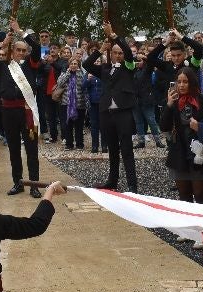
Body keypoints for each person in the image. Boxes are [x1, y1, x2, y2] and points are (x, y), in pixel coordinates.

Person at [0, 20, 44, 197]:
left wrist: (20, 32)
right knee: (14, 149)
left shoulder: (32, 65)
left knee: (32, 150)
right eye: (18, 49)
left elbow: (37, 46)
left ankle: (34, 185)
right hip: (9, 113)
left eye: (24, 50)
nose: (21, 52)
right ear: (13, 51)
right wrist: (1, 44)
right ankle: (18, 183)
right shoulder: (4, 66)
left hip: (28, 113)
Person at [84, 22, 139, 193]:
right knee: (112, 149)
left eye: (120, 53)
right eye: (115, 53)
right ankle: (112, 180)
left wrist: (114, 35)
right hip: (107, 112)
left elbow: (129, 53)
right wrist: (100, 49)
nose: (118, 55)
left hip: (123, 112)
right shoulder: (105, 68)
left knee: (127, 149)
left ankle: (132, 184)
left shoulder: (129, 67)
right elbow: (86, 65)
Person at [161, 65, 203, 214]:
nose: (181, 85)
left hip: (198, 152)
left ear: (191, 82)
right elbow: (164, 126)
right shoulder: (173, 100)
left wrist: (200, 126)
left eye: (185, 82)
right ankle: (188, 229)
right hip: (179, 152)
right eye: (178, 82)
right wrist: (168, 105)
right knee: (184, 195)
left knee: (200, 194)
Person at [54, 55, 90, 150]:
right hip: (66, 103)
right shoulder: (64, 73)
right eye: (72, 64)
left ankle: (79, 144)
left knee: (79, 126)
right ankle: (69, 144)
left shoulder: (82, 73)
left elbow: (83, 84)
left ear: (78, 65)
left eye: (75, 64)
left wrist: (78, 73)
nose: (73, 65)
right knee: (67, 125)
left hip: (79, 104)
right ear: (69, 65)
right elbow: (60, 83)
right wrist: (68, 73)